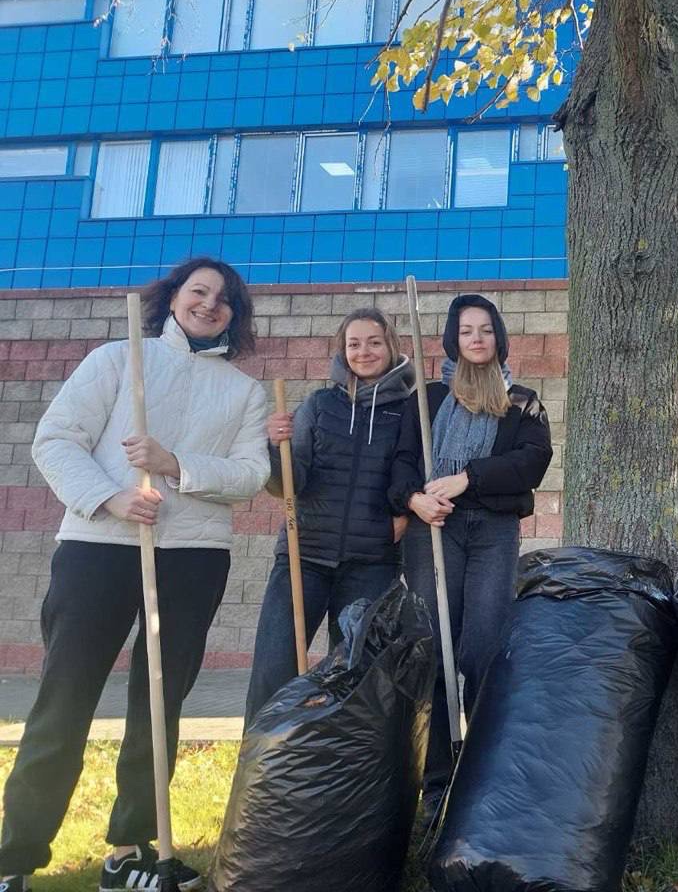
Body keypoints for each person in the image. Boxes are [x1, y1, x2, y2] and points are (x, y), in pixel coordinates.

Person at [0, 259, 269, 892]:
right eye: (198, 291)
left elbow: (251, 475)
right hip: (98, 547)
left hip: (193, 557)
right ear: (172, 298)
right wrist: (111, 498)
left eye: (225, 299)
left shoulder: (244, 392)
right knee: (64, 698)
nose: (210, 304)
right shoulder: (118, 360)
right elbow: (55, 440)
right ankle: (15, 855)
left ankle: (129, 851)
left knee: (159, 703)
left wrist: (175, 464)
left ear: (234, 316)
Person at [388, 293, 553, 817]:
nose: (476, 339)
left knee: (483, 648)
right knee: (435, 649)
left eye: (485, 330)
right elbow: (401, 461)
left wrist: (466, 478)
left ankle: (484, 773)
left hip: (492, 532)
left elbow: (532, 462)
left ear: (498, 337)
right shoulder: (429, 398)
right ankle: (437, 781)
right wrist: (414, 499)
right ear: (452, 340)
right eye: (466, 331)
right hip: (433, 530)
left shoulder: (522, 402)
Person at [242, 307, 415, 724]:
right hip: (304, 555)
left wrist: (404, 519)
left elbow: (415, 474)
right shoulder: (319, 405)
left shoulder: (410, 410)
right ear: (342, 350)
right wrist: (274, 448)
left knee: (355, 674)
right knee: (274, 667)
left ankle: (341, 761)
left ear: (391, 346)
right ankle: (264, 758)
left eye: (374, 342)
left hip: (371, 561)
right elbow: (289, 483)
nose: (363, 352)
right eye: (354, 344)